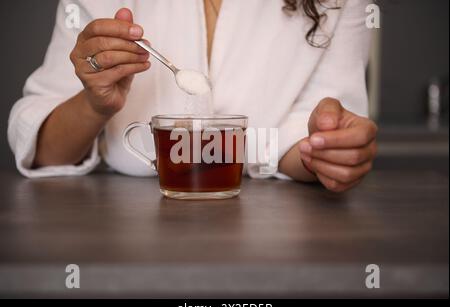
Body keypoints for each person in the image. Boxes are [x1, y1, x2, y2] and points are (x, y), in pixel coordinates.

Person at [8, 0, 378, 193]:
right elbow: (43, 150)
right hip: (123, 235)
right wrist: (94, 104)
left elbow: (293, 137)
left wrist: (323, 146)